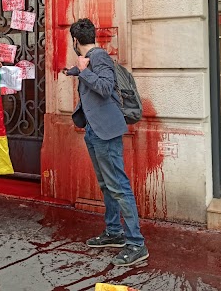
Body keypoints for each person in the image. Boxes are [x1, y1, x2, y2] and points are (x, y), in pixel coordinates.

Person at [63, 18, 148, 267]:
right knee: (107, 184)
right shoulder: (93, 59)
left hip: (105, 132)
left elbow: (105, 86)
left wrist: (84, 70)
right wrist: (75, 71)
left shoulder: (98, 57)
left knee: (118, 186)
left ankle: (136, 244)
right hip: (94, 129)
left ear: (75, 41)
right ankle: (114, 232)